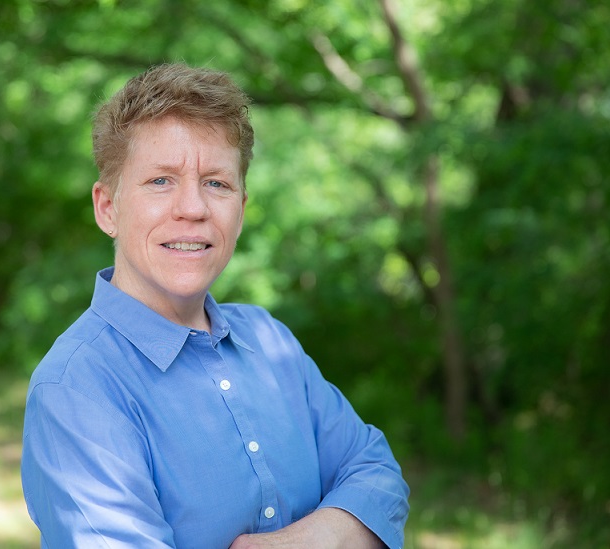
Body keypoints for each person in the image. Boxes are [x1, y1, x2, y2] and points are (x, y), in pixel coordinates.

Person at [21, 63, 409, 549]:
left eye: (217, 183)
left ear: (241, 210)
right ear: (107, 208)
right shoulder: (77, 388)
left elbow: (377, 472)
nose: (193, 208)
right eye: (161, 181)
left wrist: (288, 544)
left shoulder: (269, 339)